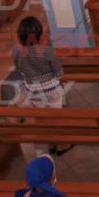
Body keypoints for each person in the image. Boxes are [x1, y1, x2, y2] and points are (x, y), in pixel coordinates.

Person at [14, 16, 74, 155]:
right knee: (56, 117)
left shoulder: (18, 53)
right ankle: (60, 145)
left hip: (33, 92)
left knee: (43, 118)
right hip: (52, 90)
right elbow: (59, 72)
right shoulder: (47, 51)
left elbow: (19, 70)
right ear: (39, 35)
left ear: (20, 36)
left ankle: (50, 143)